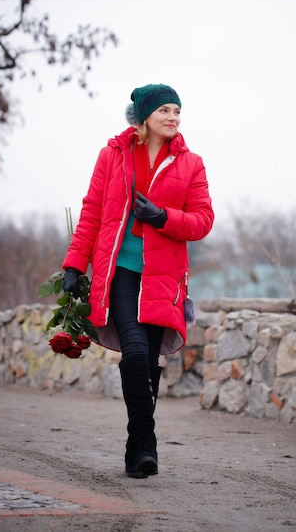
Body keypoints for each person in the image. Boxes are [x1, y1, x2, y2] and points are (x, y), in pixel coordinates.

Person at [62, 83, 214, 478]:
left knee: (147, 358)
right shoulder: (112, 154)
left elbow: (203, 220)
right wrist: (74, 265)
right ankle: (147, 442)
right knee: (133, 348)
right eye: (165, 110)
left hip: (163, 275)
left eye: (177, 111)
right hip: (120, 269)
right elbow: (92, 211)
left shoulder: (191, 163)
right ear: (144, 116)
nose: (173, 118)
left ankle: (136, 446)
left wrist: (163, 217)